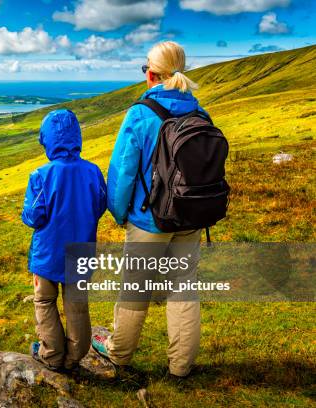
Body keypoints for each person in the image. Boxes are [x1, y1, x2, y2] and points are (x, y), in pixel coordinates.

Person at [91, 41, 205, 378]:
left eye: (145, 69)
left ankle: (119, 356)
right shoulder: (200, 112)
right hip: (190, 216)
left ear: (151, 74)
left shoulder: (141, 113)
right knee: (184, 287)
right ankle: (181, 368)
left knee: (134, 288)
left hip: (149, 220)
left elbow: (123, 172)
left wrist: (119, 213)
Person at [22, 109, 107, 372]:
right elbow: (100, 205)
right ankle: (74, 356)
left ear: (46, 139)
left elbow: (33, 216)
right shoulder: (93, 172)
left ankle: (52, 356)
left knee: (45, 302)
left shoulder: (40, 175)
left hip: (47, 253)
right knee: (77, 305)